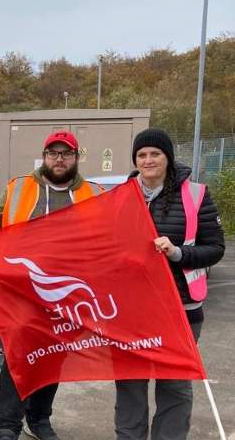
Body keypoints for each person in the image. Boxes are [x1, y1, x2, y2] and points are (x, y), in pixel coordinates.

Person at [0, 131, 104, 440]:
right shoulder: (20, 188)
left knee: (52, 358)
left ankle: (39, 419)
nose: (60, 159)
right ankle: (8, 425)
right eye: (54, 153)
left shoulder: (95, 193)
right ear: (45, 156)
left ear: (77, 157)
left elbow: (112, 236)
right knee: (18, 357)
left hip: (67, 296)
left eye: (66, 153)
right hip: (21, 293)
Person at [114, 128, 224, 440]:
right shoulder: (121, 197)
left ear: (167, 157)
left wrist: (177, 253)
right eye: (142, 155)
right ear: (135, 160)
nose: (148, 160)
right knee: (130, 384)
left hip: (181, 309)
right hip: (131, 311)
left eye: (155, 154)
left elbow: (215, 249)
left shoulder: (196, 194)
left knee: (174, 385)